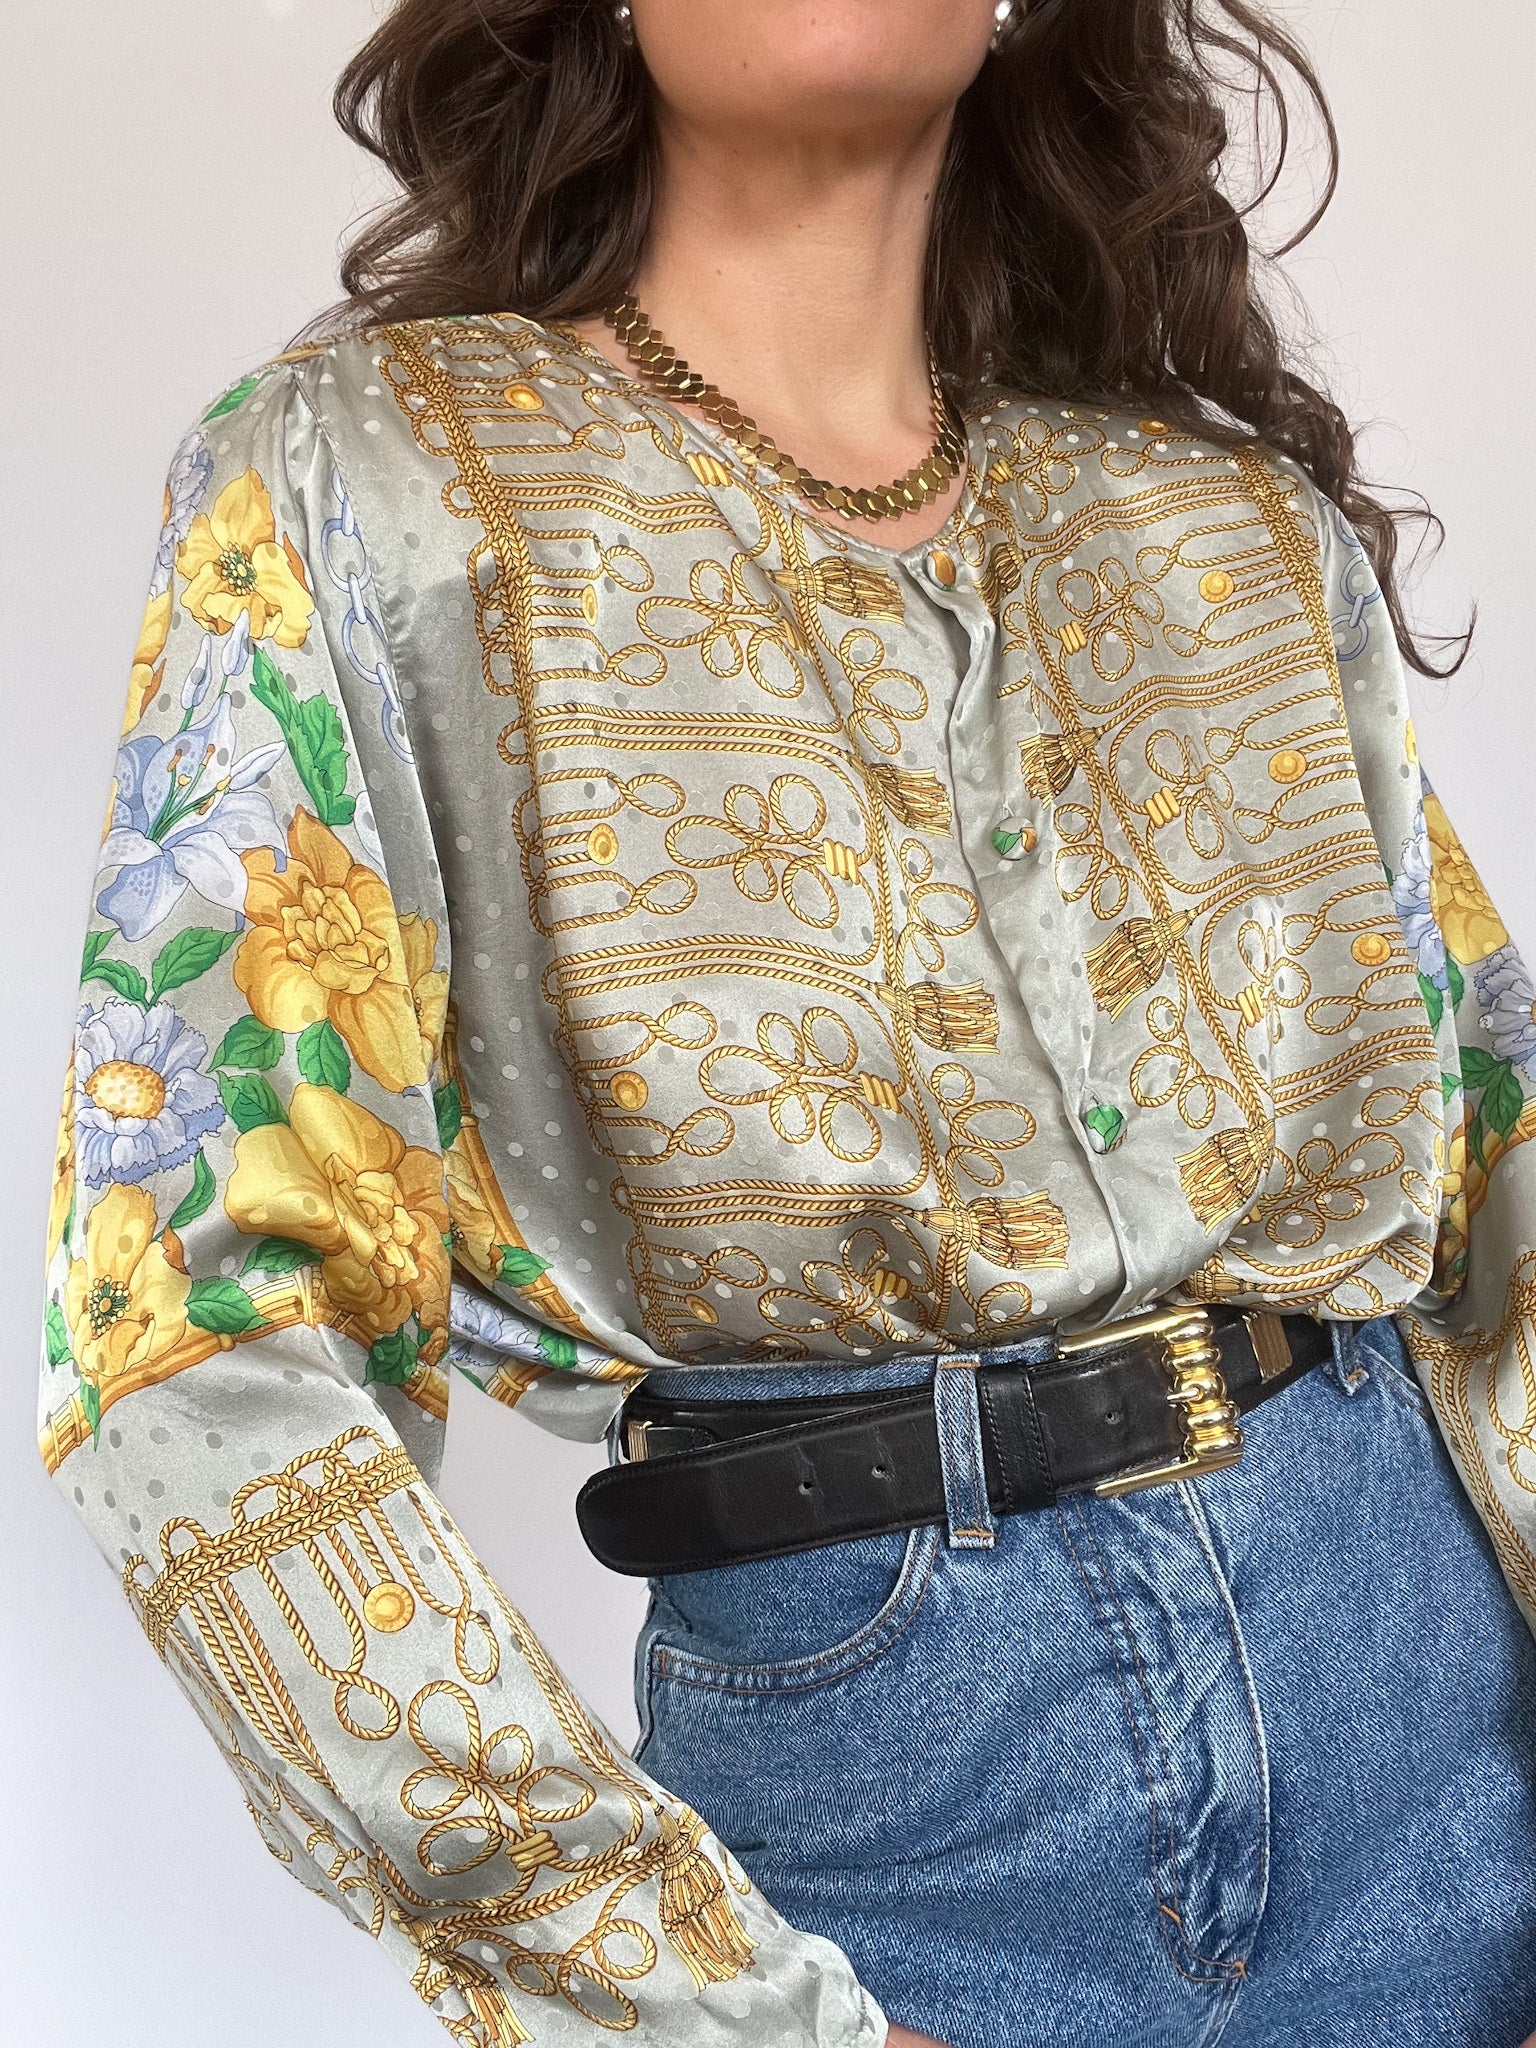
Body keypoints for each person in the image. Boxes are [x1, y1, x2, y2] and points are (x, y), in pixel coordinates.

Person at [36, 1, 1536, 2044]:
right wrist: (675, 1993)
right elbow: (193, 1332)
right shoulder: (370, 481)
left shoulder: (1225, 514)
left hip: (1431, 1717)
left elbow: (1494, 1154)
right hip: (886, 1804)